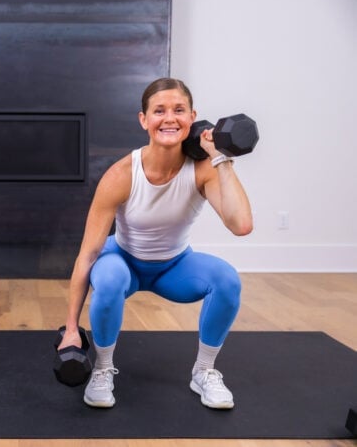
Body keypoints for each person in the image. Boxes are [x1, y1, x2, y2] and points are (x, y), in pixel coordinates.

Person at [58, 77, 253, 409]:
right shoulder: (121, 174)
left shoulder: (204, 169)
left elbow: (241, 225)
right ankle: (104, 369)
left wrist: (221, 159)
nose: (169, 118)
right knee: (107, 278)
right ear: (143, 119)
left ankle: (204, 371)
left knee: (226, 279)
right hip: (124, 261)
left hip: (173, 266)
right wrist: (71, 327)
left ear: (193, 117)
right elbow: (88, 253)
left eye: (179, 110)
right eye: (159, 110)